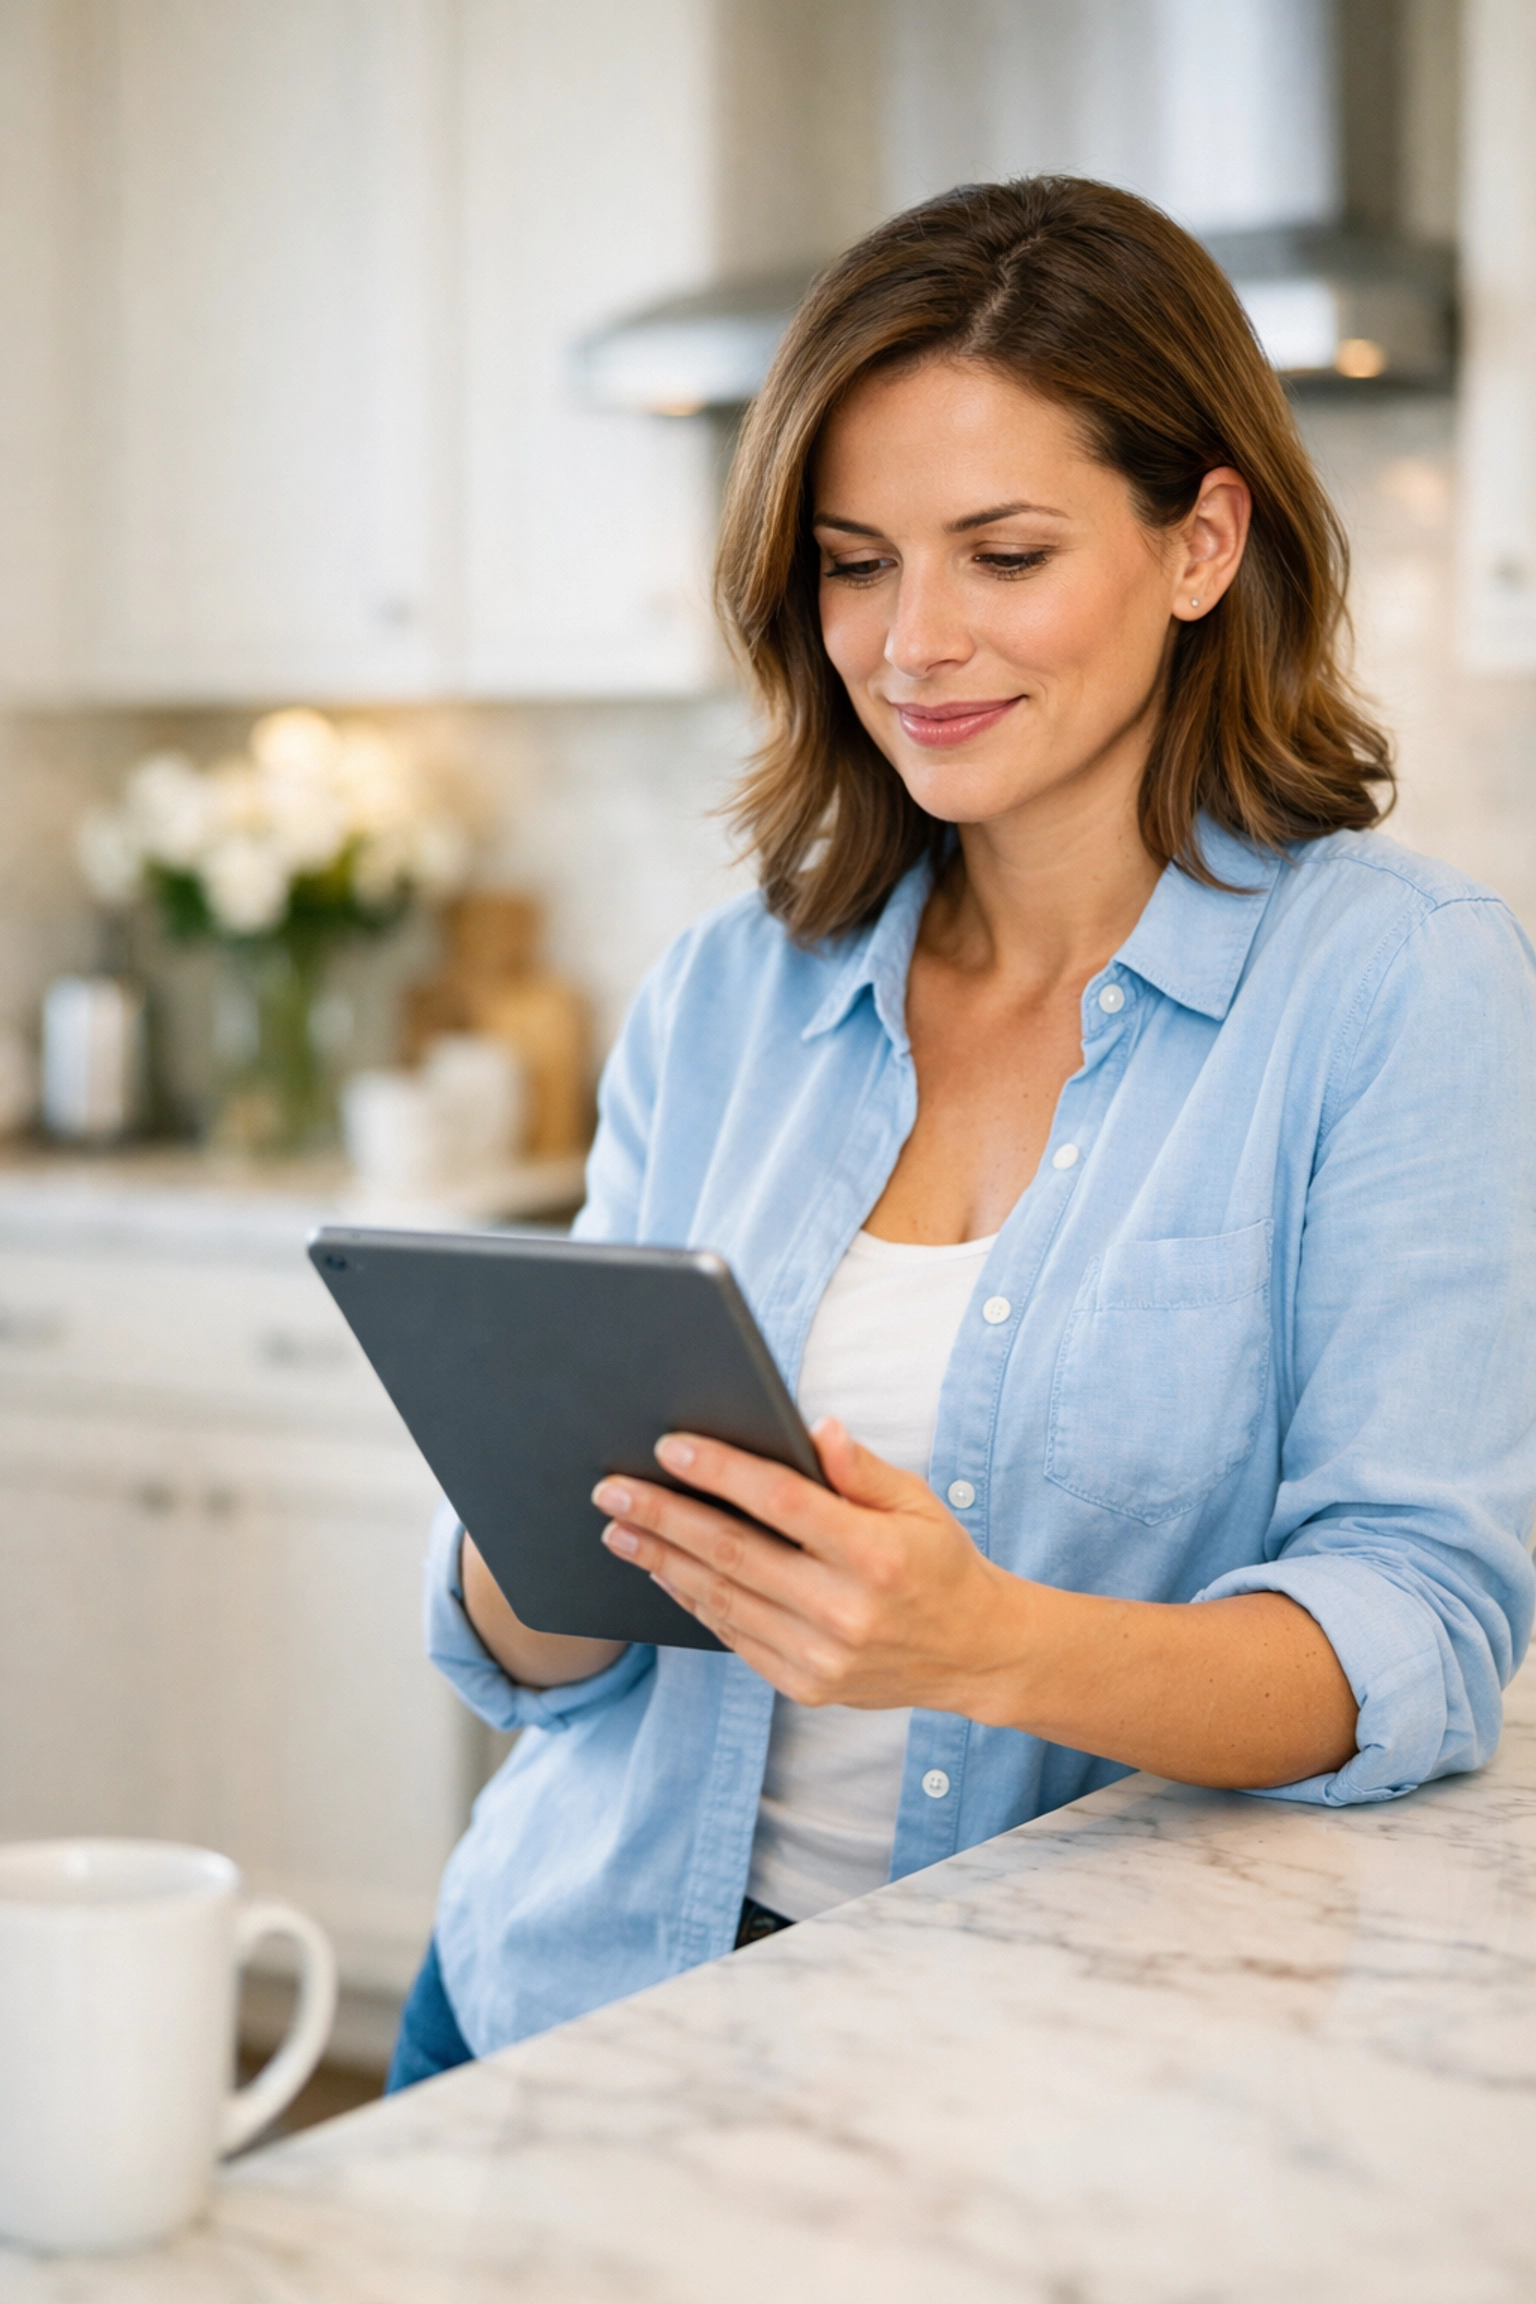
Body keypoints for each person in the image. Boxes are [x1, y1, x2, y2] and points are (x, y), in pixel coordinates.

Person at [386, 176, 1536, 2088]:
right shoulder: (731, 992)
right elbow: (529, 1646)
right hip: (555, 2006)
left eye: (1003, 554)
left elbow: (1416, 1628)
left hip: (1028, 2064)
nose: (914, 640)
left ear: (1201, 541)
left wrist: (985, 1640)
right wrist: (540, 1537)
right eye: (856, 562)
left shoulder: (1402, 990)